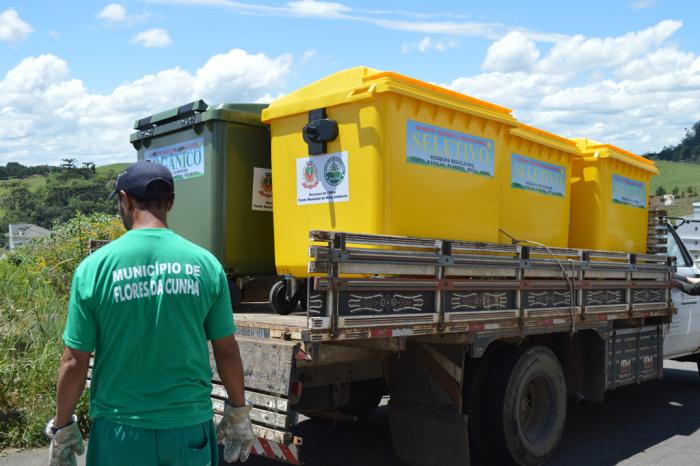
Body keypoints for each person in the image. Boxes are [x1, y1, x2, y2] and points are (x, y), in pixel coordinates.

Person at [46, 161, 254, 466]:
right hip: (187, 428)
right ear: (169, 203)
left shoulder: (94, 268)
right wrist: (237, 411)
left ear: (125, 200)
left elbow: (74, 360)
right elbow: (226, 352)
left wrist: (63, 426)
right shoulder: (206, 265)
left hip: (120, 432)